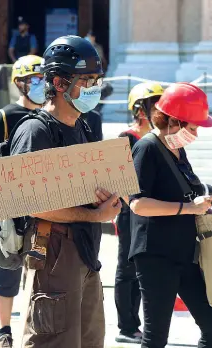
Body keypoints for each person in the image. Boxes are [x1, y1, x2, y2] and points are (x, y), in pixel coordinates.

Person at [10, 35, 121, 348]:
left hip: (85, 254)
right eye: (87, 80)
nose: (94, 87)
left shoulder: (83, 126)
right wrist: (95, 214)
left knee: (89, 340)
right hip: (53, 253)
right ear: (59, 83)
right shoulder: (36, 131)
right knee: (52, 341)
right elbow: (29, 202)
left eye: (97, 80)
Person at [129, 82, 212, 348]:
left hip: (185, 253)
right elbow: (138, 204)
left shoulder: (177, 147)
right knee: (155, 338)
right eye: (193, 127)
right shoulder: (146, 148)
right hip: (155, 255)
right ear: (174, 121)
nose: (196, 134)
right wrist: (188, 208)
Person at [0, 54, 45, 348]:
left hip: (42, 206)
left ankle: (35, 326)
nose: (41, 84)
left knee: (41, 270)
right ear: (20, 83)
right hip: (9, 209)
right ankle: (5, 332)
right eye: (35, 79)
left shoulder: (49, 116)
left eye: (43, 78)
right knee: (7, 270)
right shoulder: (5, 116)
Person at [114, 82, 164, 344]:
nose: (160, 109)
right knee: (126, 268)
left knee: (142, 268)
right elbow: (120, 180)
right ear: (140, 109)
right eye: (154, 104)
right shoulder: (127, 137)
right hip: (129, 212)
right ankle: (126, 326)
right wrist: (136, 205)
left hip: (147, 211)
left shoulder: (158, 138)